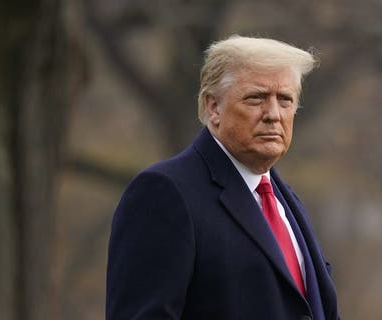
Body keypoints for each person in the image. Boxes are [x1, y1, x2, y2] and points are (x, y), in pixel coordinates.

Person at [106, 35, 340, 320]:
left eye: (285, 100)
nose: (273, 114)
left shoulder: (287, 201)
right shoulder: (164, 193)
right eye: (256, 98)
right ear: (214, 107)